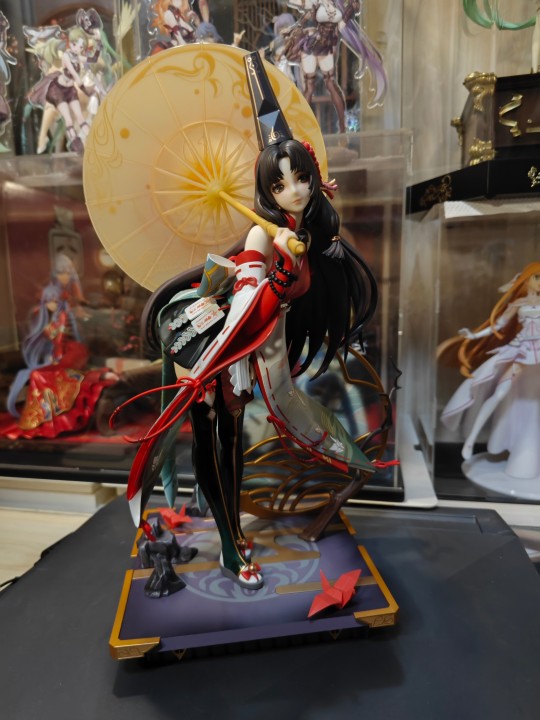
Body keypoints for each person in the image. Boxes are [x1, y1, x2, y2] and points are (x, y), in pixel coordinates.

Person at [118, 52, 377, 590]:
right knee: (220, 440)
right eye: (281, 185)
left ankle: (229, 526)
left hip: (264, 341)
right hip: (224, 346)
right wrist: (279, 273)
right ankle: (231, 544)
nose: (295, 191)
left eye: (301, 178)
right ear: (268, 191)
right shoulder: (263, 235)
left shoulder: (305, 227)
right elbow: (246, 311)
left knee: (237, 437)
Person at [441, 262, 540, 480]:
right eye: (537, 277)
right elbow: (499, 325)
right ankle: (471, 439)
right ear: (527, 279)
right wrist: (473, 335)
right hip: (521, 351)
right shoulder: (519, 303)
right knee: (500, 393)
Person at [4, 255, 114, 439]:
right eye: (49, 301)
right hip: (59, 356)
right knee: (38, 375)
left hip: (72, 352)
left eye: (55, 301)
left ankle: (96, 377)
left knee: (43, 375)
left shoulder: (66, 315)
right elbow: (44, 340)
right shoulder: (43, 316)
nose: (52, 304)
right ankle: (44, 418)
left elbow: (70, 338)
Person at [284, 0, 387, 132]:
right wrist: (293, 27)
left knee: (331, 84)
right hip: (311, 46)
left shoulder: (340, 5)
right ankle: (302, 127)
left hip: (326, 47)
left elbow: (354, 6)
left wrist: (345, 17)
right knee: (309, 87)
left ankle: (342, 127)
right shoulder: (317, 3)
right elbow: (302, 10)